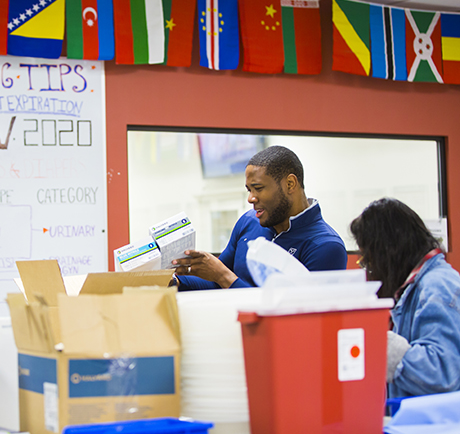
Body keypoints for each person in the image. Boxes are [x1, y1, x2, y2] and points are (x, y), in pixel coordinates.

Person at [173, 145, 347, 289]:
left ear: (290, 184)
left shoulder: (326, 246)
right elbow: (215, 282)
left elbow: (291, 315)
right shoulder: (249, 221)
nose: (251, 198)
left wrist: (223, 276)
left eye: (258, 188)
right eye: (249, 190)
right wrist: (173, 282)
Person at [350, 198, 460, 398]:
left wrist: (375, 339)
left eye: (369, 257)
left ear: (388, 251)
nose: (369, 267)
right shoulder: (413, 286)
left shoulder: (438, 286)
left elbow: (442, 374)